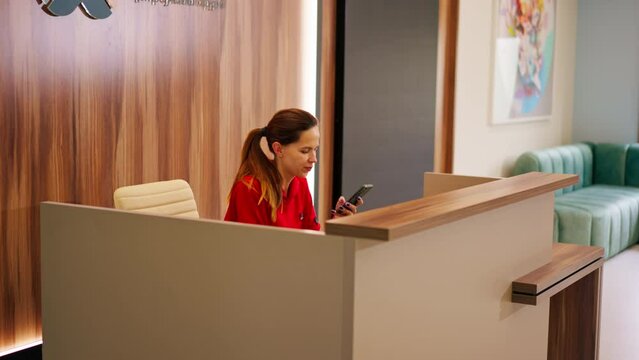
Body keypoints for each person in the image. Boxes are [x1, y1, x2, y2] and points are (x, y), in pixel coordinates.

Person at [224, 108, 363, 230]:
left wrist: (338, 222)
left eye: (315, 149)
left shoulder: (300, 182)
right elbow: (250, 253)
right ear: (278, 149)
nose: (314, 159)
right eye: (305, 151)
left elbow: (312, 241)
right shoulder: (250, 189)